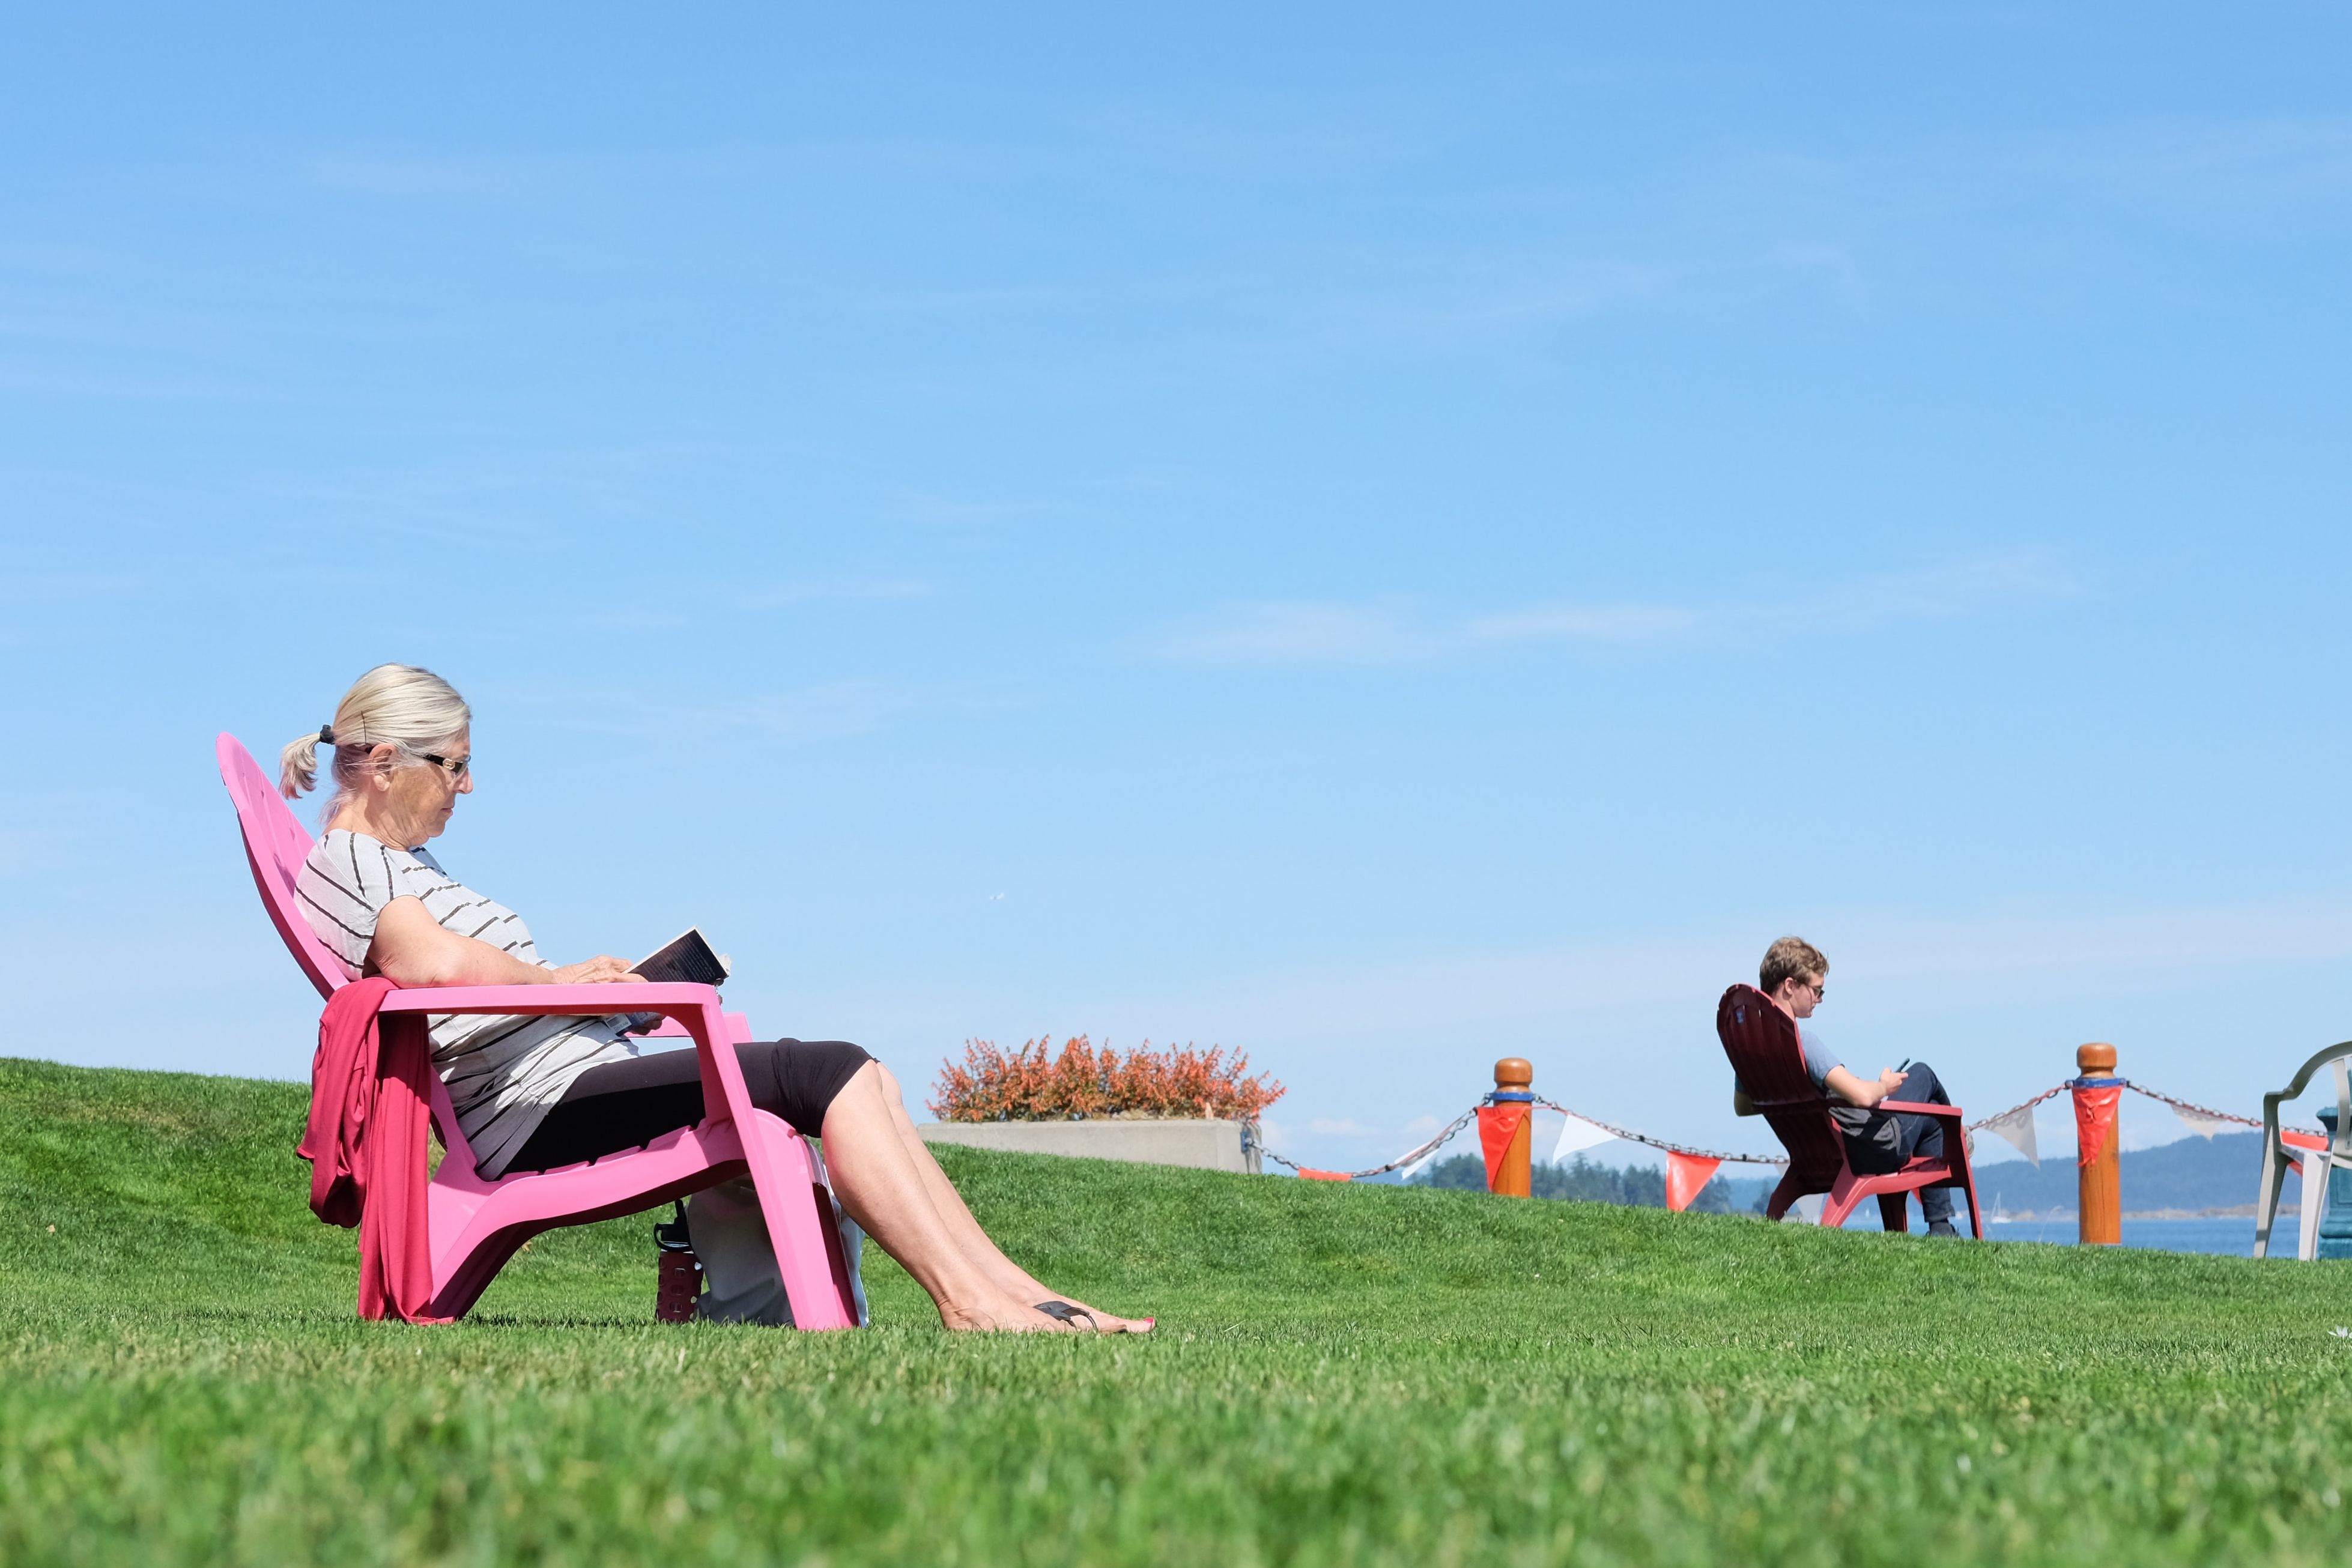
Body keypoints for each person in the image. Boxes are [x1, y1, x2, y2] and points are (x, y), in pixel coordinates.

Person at [282, 662, 1151, 1333]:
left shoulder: (401, 863)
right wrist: (562, 981)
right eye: (456, 766)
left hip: (566, 1078)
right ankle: (967, 1302)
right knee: (830, 1070)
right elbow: (429, 967)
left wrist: (611, 996)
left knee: (864, 1076)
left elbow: (463, 976)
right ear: (387, 762)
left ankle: (1020, 1295)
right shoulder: (352, 861)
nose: (466, 787)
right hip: (536, 1112)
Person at [1748, 936, 1962, 1238]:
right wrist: (1883, 1085)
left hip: (1813, 1153)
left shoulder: (1756, 1052)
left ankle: (1941, 1227)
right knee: (1924, 1075)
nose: (1820, 999)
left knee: (1934, 1114)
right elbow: (1862, 1096)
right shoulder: (1804, 1044)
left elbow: (1743, 1106)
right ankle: (1959, 1139)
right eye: (1817, 990)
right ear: (1790, 986)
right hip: (1872, 1148)